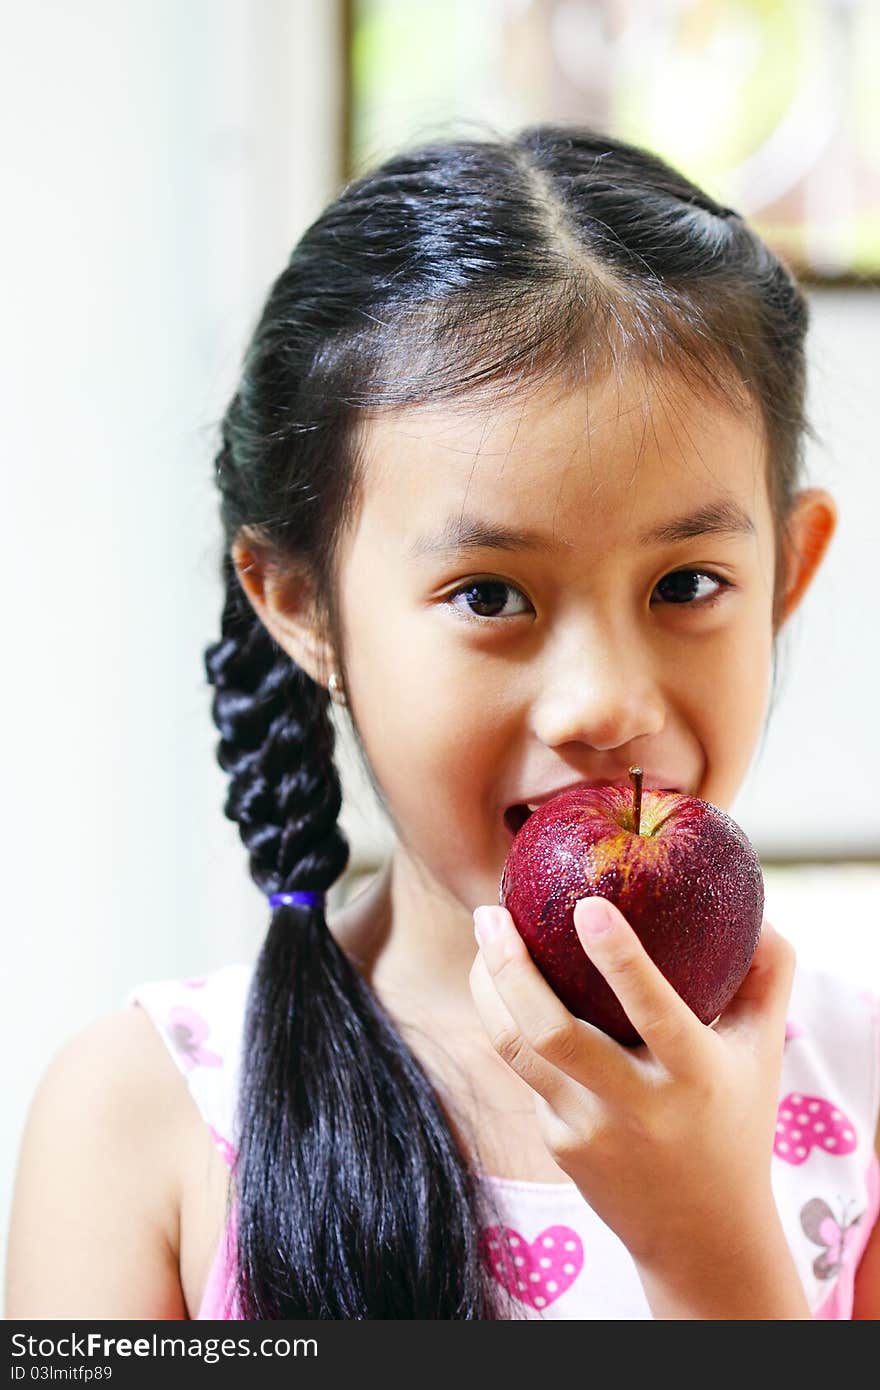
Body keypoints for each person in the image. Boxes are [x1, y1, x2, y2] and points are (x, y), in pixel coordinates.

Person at [6, 125, 878, 1321]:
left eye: (685, 584)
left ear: (786, 571)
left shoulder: (861, 1097)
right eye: (490, 596)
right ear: (301, 607)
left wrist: (712, 1246)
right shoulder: (145, 1123)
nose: (605, 703)